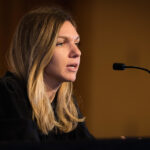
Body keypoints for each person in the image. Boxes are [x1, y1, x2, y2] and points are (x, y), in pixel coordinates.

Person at [0, 7, 94, 142]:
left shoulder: (65, 105)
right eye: (61, 43)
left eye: (76, 43)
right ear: (36, 50)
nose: (77, 52)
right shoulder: (8, 92)